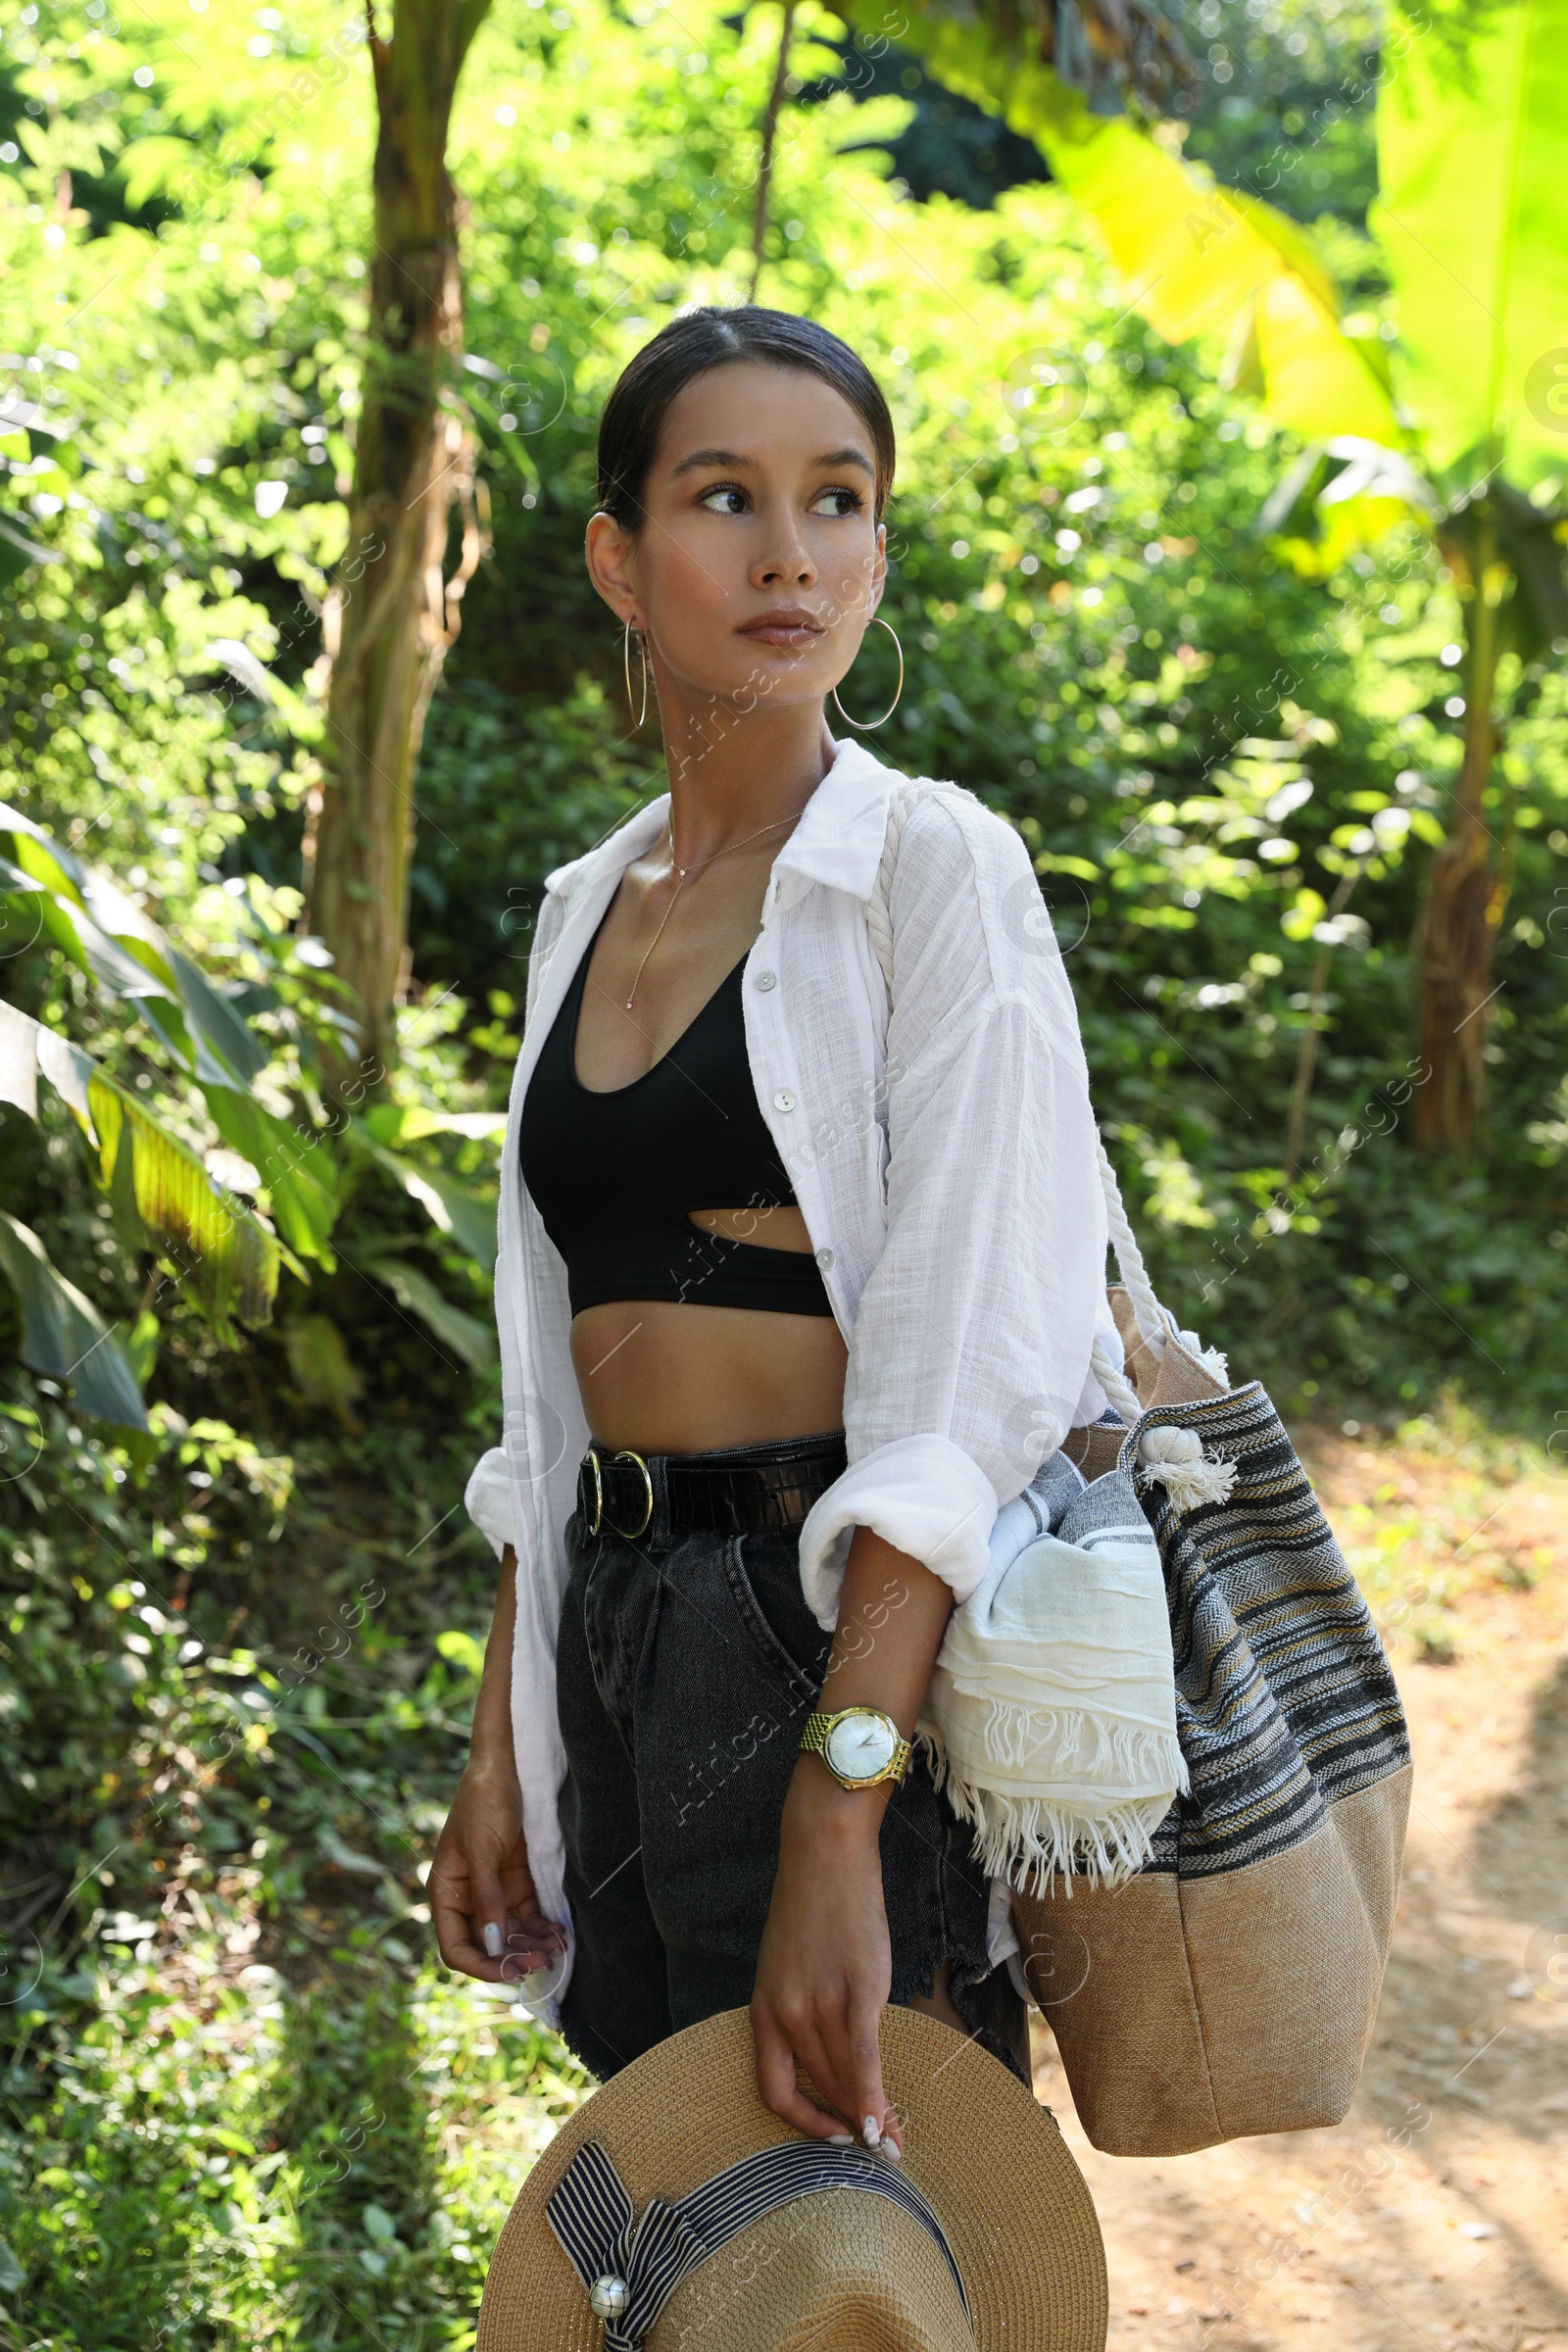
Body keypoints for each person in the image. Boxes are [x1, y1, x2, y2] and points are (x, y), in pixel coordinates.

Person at [431, 305, 1113, 2160]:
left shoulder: (928, 871)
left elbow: (968, 1378)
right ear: (618, 562)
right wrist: (508, 1732)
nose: (792, 552)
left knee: (862, 2222)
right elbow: (546, 1394)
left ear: (882, 547)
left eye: (839, 502)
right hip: (617, 1619)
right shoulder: (588, 905)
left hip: (814, 1632)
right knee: (683, 2219)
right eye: (724, 497)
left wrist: (841, 1809)